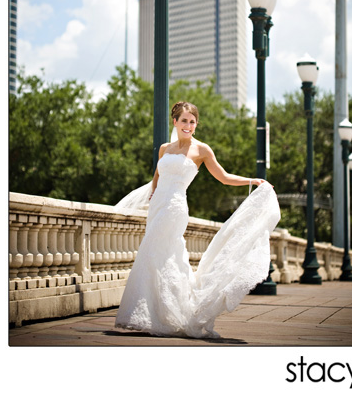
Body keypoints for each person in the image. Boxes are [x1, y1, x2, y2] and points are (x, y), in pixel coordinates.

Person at [114, 101, 280, 338]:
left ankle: (170, 315)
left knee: (157, 251)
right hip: (158, 206)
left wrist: (253, 181)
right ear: (175, 121)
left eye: (192, 122)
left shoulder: (202, 150)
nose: (188, 125)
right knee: (156, 255)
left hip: (175, 208)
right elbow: (157, 177)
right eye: (184, 121)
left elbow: (223, 177)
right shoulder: (164, 149)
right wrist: (152, 195)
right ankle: (153, 313)